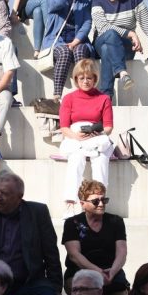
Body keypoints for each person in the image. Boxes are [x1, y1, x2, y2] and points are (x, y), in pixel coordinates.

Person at [58, 60, 114, 217]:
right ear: (76, 79)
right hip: (75, 138)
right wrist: (76, 136)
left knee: (101, 160)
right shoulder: (69, 98)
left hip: (96, 138)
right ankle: (70, 203)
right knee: (76, 160)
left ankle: (98, 202)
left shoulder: (104, 98)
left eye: (89, 77)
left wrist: (97, 133)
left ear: (95, 79)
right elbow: (64, 127)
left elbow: (108, 127)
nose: (85, 81)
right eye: (81, 78)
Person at [62, 180, 127, 295]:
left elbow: (122, 252)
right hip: (80, 273)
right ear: (83, 204)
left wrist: (112, 272)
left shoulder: (116, 221)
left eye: (104, 200)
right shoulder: (72, 223)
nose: (101, 204)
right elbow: (75, 256)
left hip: (110, 273)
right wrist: (98, 273)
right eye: (96, 201)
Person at [43, 0, 95, 103]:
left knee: (80, 50)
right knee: (65, 52)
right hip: (56, 42)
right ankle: (57, 95)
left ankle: (83, 91)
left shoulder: (84, 2)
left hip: (79, 41)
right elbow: (56, 4)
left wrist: (76, 42)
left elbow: (87, 23)